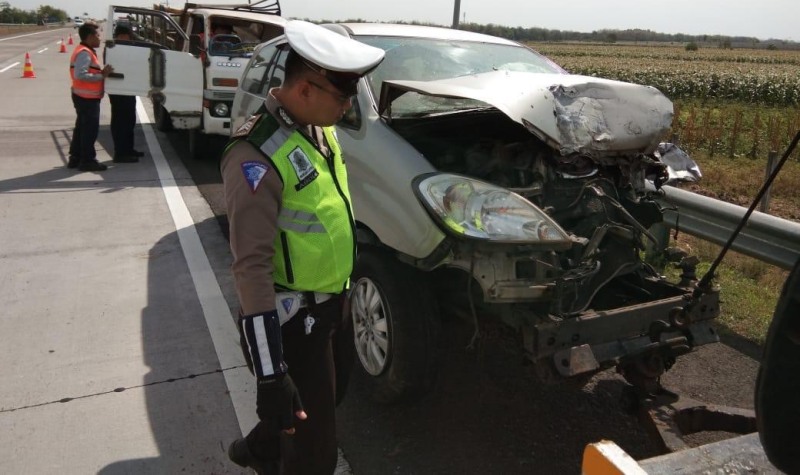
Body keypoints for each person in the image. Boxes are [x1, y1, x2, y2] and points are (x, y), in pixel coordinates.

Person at [220, 20, 384, 474]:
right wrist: (271, 374)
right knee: (315, 453)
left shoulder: (317, 129)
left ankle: (260, 446)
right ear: (307, 88)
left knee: (327, 397)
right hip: (292, 321)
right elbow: (250, 268)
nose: (349, 106)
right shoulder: (254, 155)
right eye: (342, 96)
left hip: (335, 302)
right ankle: (276, 450)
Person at [68, 21, 113, 172]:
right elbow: (80, 74)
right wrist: (102, 75)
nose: (100, 39)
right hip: (87, 98)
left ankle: (75, 157)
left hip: (82, 95)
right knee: (89, 130)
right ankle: (87, 161)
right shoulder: (84, 53)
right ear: (89, 37)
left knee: (81, 128)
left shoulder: (84, 50)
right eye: (98, 35)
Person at [108, 24, 144, 163]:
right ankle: (121, 153)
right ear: (121, 36)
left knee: (129, 120)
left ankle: (128, 149)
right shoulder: (114, 48)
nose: (129, 38)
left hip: (127, 88)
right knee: (121, 122)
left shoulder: (125, 47)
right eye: (127, 36)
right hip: (118, 89)